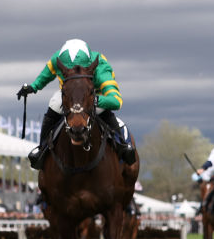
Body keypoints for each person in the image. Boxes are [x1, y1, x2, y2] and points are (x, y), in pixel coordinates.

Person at [16, 38, 135, 167]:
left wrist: (93, 100)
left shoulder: (101, 67)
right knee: (54, 105)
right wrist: (33, 87)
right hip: (70, 94)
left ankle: (121, 144)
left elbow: (116, 101)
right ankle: (42, 149)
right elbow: (46, 76)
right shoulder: (57, 60)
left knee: (103, 111)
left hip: (92, 93)